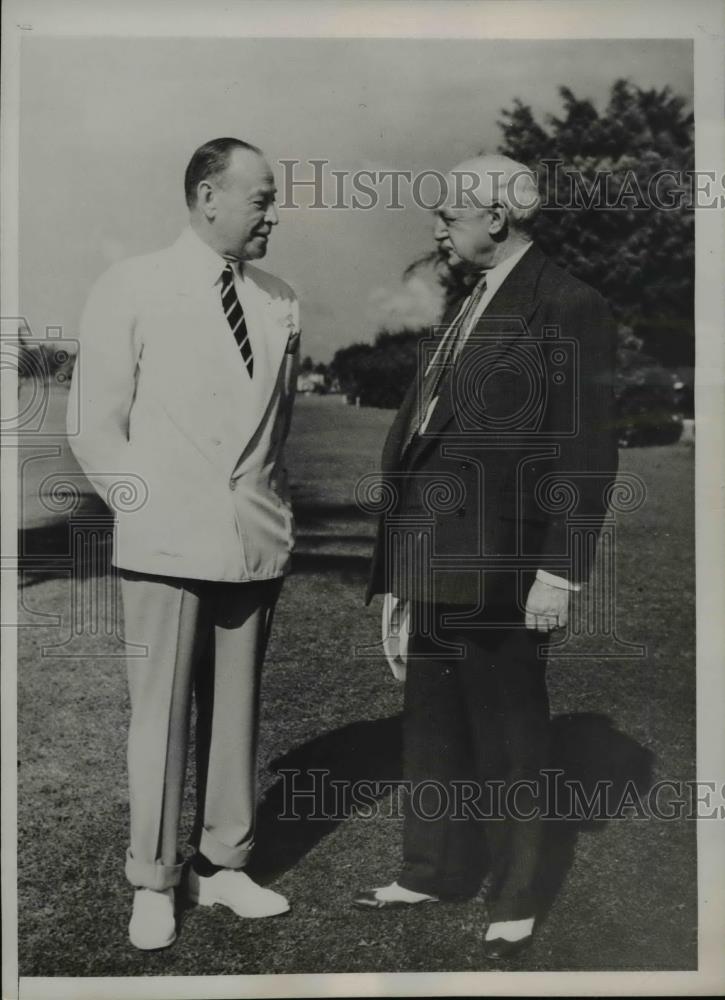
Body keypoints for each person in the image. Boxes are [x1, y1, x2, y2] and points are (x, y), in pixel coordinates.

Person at [355, 154, 619, 960]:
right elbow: (428, 437)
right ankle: (431, 869)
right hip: (436, 556)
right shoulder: (472, 298)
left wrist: (560, 571)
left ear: (495, 217)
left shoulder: (569, 304)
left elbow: (585, 450)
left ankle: (514, 893)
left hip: (506, 562)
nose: (436, 227)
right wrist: (402, 579)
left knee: (509, 731)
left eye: (448, 214)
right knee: (431, 721)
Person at [67, 137, 300, 949]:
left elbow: (277, 435)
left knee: (236, 713)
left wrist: (271, 513)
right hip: (164, 544)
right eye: (261, 196)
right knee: (158, 719)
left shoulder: (278, 299)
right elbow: (96, 426)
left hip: (252, 542)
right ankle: (155, 880)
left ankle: (224, 864)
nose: (273, 212)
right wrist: (145, 512)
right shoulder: (132, 284)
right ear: (208, 196)